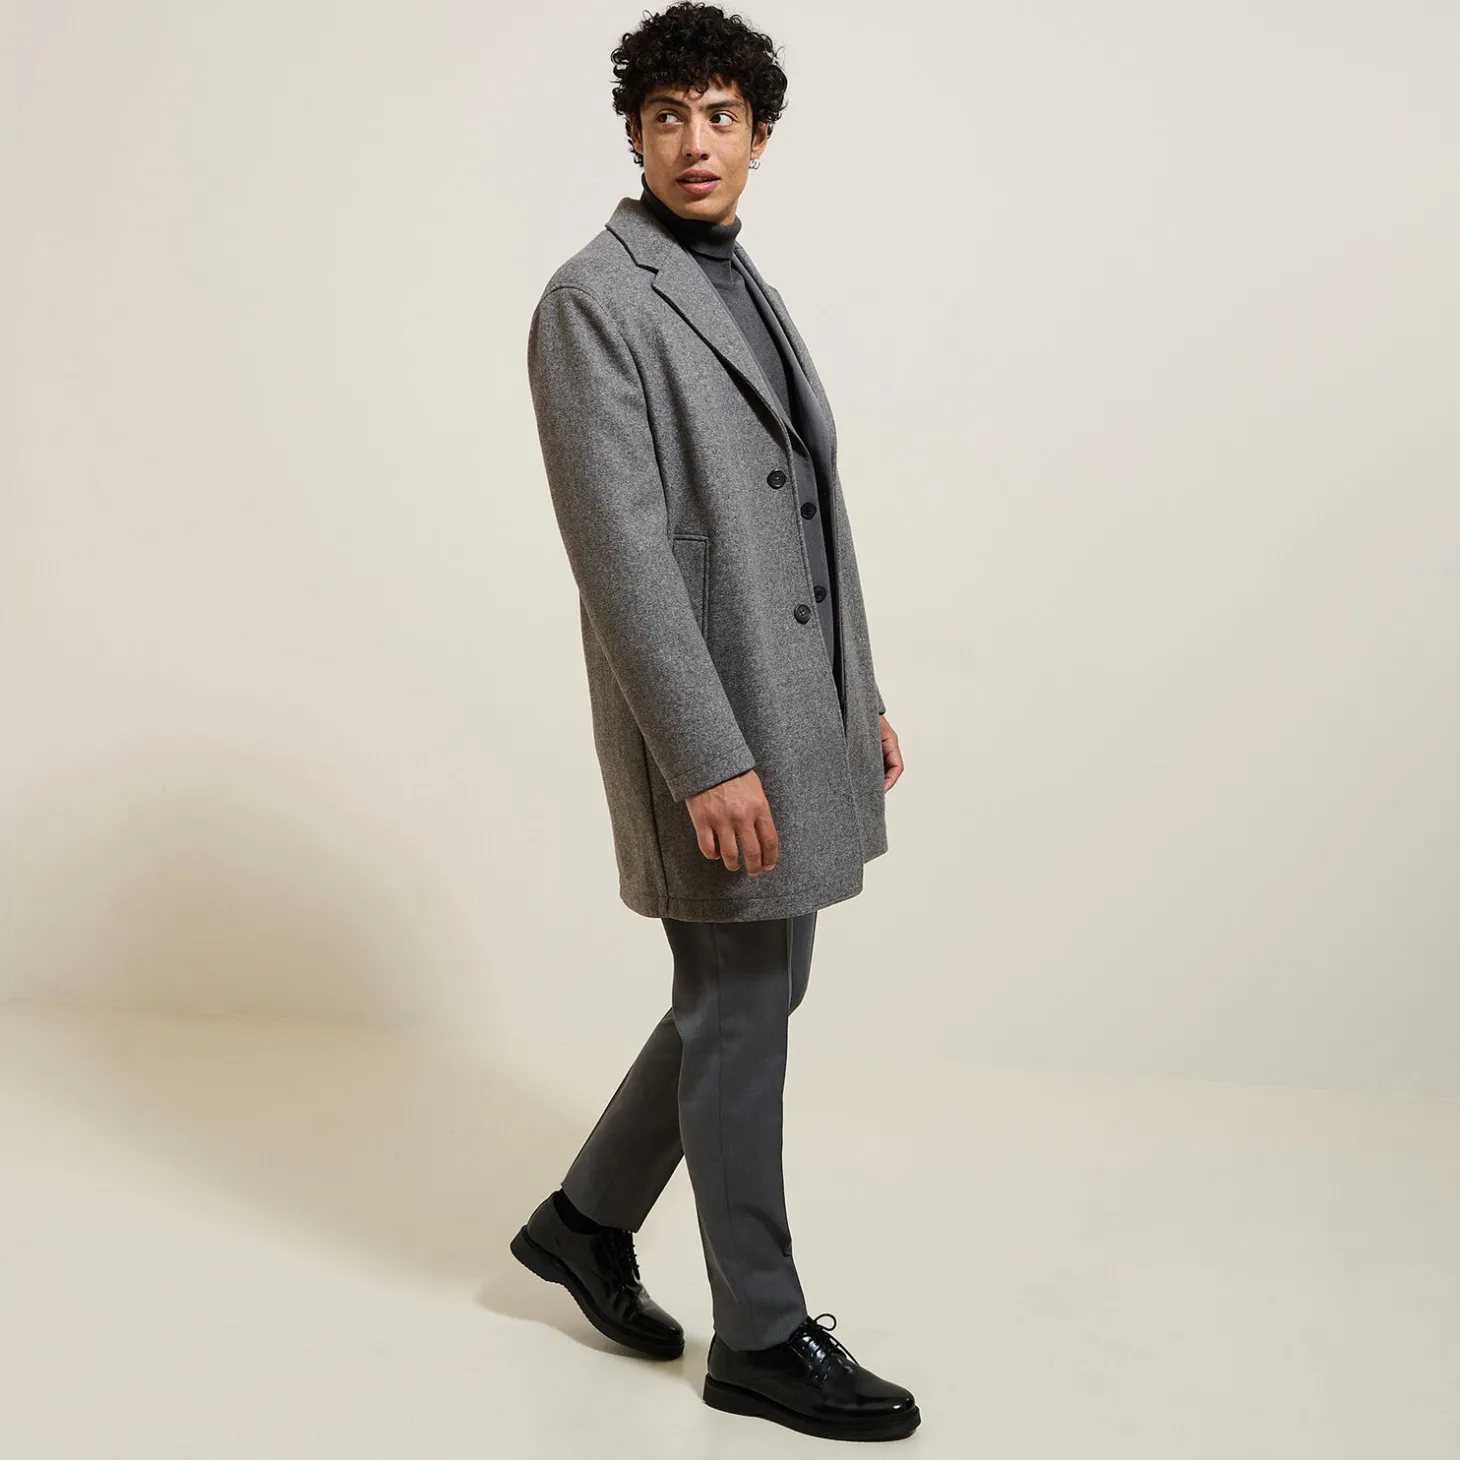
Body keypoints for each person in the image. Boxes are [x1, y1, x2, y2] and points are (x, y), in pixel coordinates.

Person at [512, 2, 917, 1441]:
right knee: (743, 1002)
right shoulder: (594, 300)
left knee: (752, 992)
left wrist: (857, 695)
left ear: (758, 135)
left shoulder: (742, 281)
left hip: (789, 706)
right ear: (634, 134)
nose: (697, 141)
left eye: (723, 116)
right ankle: (758, 1333)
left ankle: (583, 1222)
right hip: (711, 730)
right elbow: (619, 554)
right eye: (669, 115)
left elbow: (810, 511)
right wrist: (708, 756)